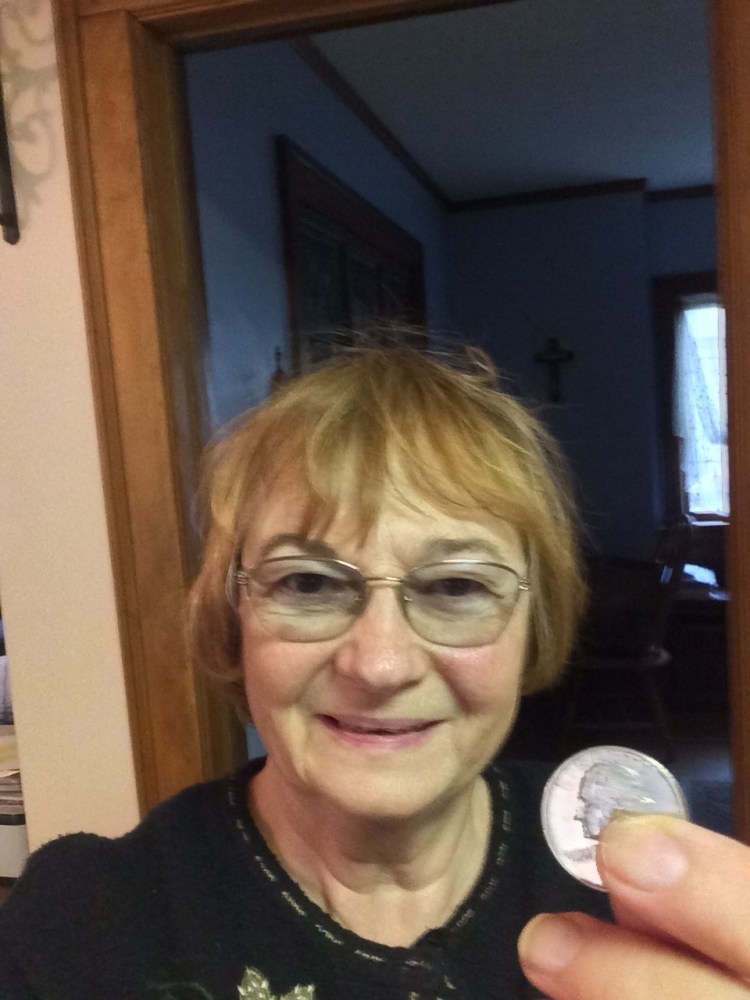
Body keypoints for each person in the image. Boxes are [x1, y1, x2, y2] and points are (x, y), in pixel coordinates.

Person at [1, 342, 748, 1000]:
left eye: (456, 586)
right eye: (308, 583)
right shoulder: (83, 925)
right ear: (234, 619)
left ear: (534, 622)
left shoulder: (646, 892)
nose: (380, 664)